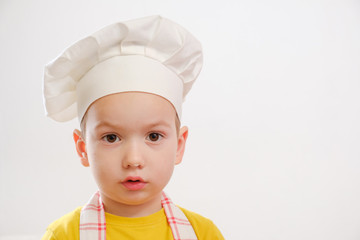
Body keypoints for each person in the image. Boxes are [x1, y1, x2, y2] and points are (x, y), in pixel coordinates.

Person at [41, 15, 224, 240]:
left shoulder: (203, 233)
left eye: (154, 136)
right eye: (111, 138)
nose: (133, 159)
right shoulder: (64, 234)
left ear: (179, 145)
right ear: (83, 148)